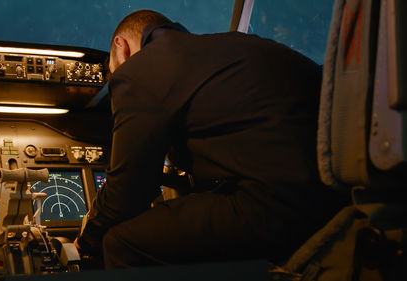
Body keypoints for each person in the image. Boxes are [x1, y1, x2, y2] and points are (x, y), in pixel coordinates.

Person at [75, 9, 345, 268]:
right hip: (337, 195)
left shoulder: (138, 71)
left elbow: (128, 194)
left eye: (114, 71)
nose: (117, 78)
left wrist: (84, 243)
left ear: (121, 47)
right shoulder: (235, 46)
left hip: (280, 207)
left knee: (120, 244)